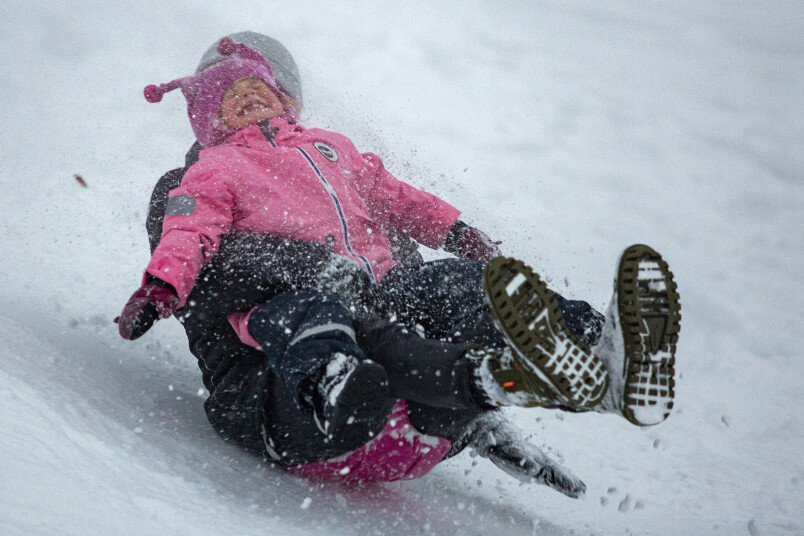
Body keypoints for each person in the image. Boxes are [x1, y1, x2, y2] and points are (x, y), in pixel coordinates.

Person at [117, 34, 681, 497]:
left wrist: (460, 239)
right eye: (229, 96)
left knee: (452, 286)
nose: (247, 101)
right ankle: (356, 381)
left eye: (259, 89)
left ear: (287, 100)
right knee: (345, 322)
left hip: (419, 409)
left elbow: (403, 222)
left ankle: (593, 347)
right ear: (204, 116)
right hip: (287, 403)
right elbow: (203, 270)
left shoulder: (334, 162)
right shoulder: (192, 183)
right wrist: (309, 267)